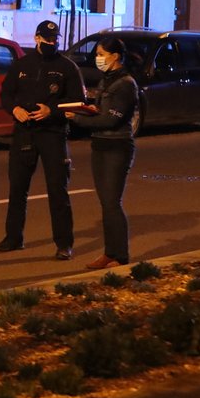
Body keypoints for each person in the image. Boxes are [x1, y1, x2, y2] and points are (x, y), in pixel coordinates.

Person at [0, 20, 86, 260]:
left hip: (53, 134)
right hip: (24, 131)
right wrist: (14, 109)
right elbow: (6, 94)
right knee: (17, 188)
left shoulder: (67, 67)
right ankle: (13, 238)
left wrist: (51, 110)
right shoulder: (22, 65)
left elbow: (77, 101)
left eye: (55, 39)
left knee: (58, 190)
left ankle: (64, 244)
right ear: (37, 39)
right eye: (47, 40)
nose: (52, 43)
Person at [64, 37, 138, 269]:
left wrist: (77, 118)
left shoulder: (125, 84)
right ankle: (110, 253)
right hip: (100, 145)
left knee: (111, 202)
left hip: (117, 146)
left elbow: (110, 119)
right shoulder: (107, 81)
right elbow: (102, 112)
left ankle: (120, 256)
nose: (98, 58)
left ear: (115, 56)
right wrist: (89, 109)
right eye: (97, 53)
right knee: (105, 203)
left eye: (102, 53)